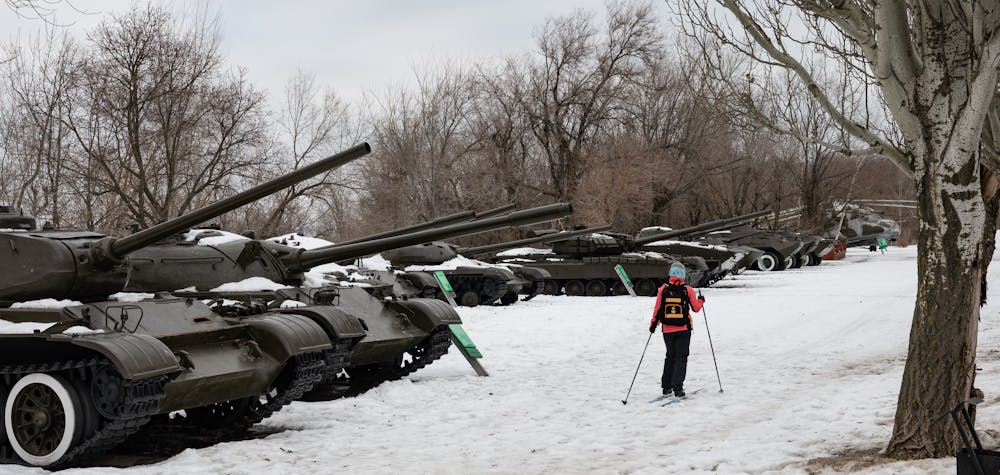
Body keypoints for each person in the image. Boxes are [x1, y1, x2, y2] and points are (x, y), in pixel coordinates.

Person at [649, 262, 704, 398]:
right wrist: (701, 300)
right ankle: (678, 388)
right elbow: (696, 308)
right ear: (683, 275)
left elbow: (658, 309)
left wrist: (653, 325)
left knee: (670, 357)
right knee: (681, 358)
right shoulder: (688, 289)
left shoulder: (663, 289)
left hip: (667, 330)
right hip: (683, 329)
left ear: (671, 274)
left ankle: (666, 387)